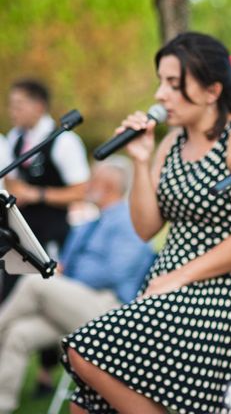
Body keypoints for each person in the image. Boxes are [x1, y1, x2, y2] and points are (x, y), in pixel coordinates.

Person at [62, 32, 231, 413]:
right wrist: (141, 161)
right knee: (86, 404)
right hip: (167, 288)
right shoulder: (170, 143)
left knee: (84, 350)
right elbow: (145, 227)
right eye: (161, 82)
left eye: (174, 84)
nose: (160, 94)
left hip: (224, 296)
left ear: (211, 90)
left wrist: (180, 277)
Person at [0, 157, 155, 414]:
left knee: (34, 284)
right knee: (19, 334)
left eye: (91, 180)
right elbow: (70, 263)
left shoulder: (128, 220)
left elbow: (115, 273)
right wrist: (63, 269)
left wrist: (67, 275)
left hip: (108, 309)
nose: (85, 185)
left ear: (107, 185)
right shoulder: (91, 221)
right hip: (75, 305)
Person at [3, 79, 90, 300]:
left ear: (38, 106)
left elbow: (81, 191)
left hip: (52, 233)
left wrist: (37, 195)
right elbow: (11, 179)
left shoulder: (64, 141)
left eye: (19, 106)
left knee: (43, 290)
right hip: (19, 233)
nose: (13, 112)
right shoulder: (15, 137)